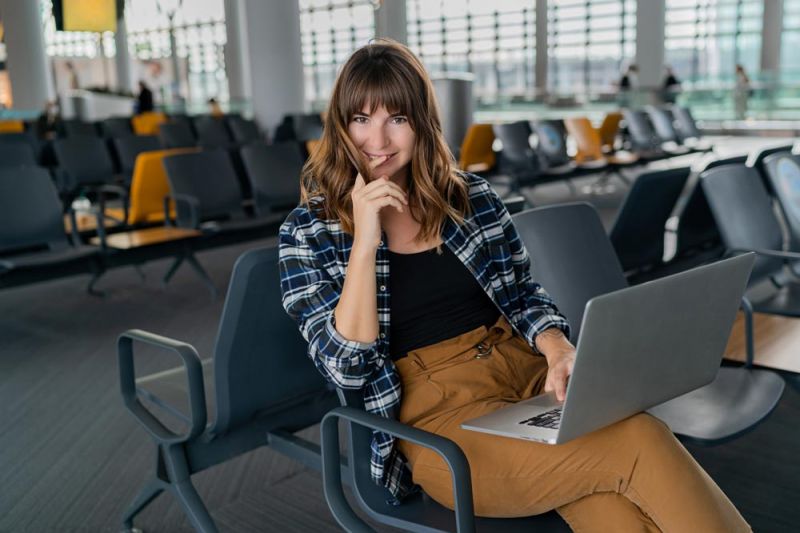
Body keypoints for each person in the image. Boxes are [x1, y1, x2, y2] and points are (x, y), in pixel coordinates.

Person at [278, 40, 750, 532]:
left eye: (396, 118)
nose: (378, 139)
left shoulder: (470, 197)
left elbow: (523, 295)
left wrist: (558, 347)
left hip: (524, 376)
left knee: (614, 508)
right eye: (361, 119)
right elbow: (347, 371)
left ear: (421, 122)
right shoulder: (308, 232)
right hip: (438, 417)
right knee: (639, 441)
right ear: (340, 125)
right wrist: (365, 238)